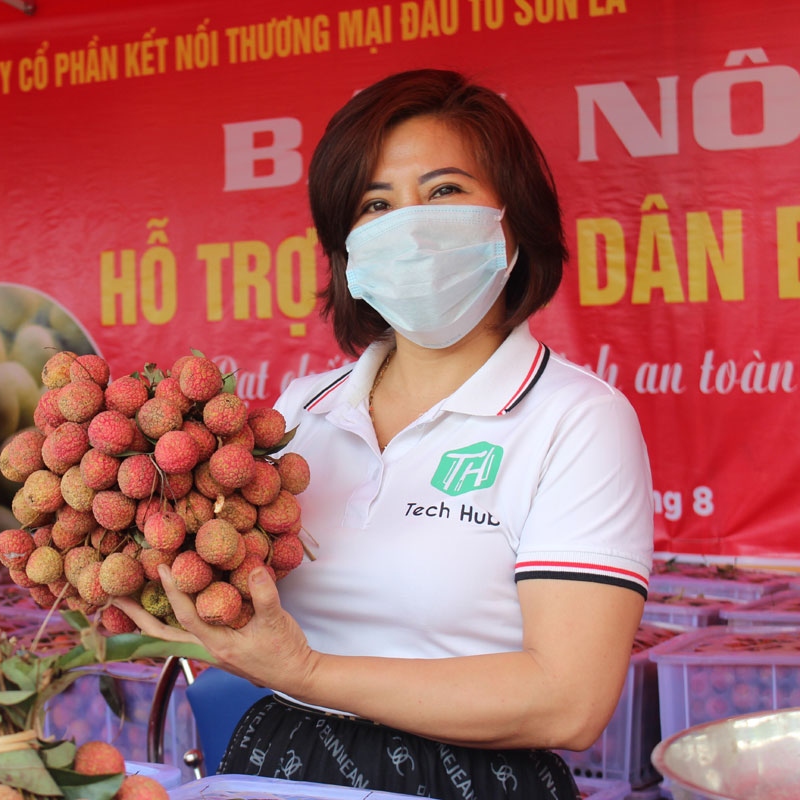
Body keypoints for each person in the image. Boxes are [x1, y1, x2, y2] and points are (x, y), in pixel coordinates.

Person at [115, 68, 653, 800]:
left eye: (444, 191)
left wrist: (307, 673)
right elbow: (243, 618)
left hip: (472, 781)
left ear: (513, 218)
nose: (409, 224)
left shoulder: (578, 420)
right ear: (348, 250)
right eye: (376, 203)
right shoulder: (299, 416)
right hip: (279, 764)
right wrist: (152, 595)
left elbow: (569, 700)